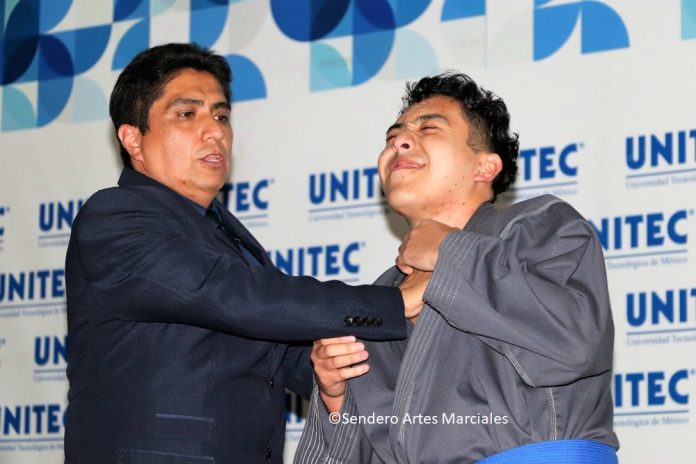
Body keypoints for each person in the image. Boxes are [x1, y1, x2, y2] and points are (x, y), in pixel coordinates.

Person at [64, 43, 428, 464]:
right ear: (133, 138)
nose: (214, 131)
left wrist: (326, 371)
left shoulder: (230, 236)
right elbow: (236, 297)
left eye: (221, 116)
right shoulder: (115, 216)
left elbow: (280, 351)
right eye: (187, 114)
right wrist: (393, 303)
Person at [295, 72, 619, 463]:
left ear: (485, 167)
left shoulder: (538, 225)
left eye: (429, 128)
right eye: (392, 136)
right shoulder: (382, 297)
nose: (399, 141)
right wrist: (335, 400)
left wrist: (448, 249)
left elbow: (575, 341)